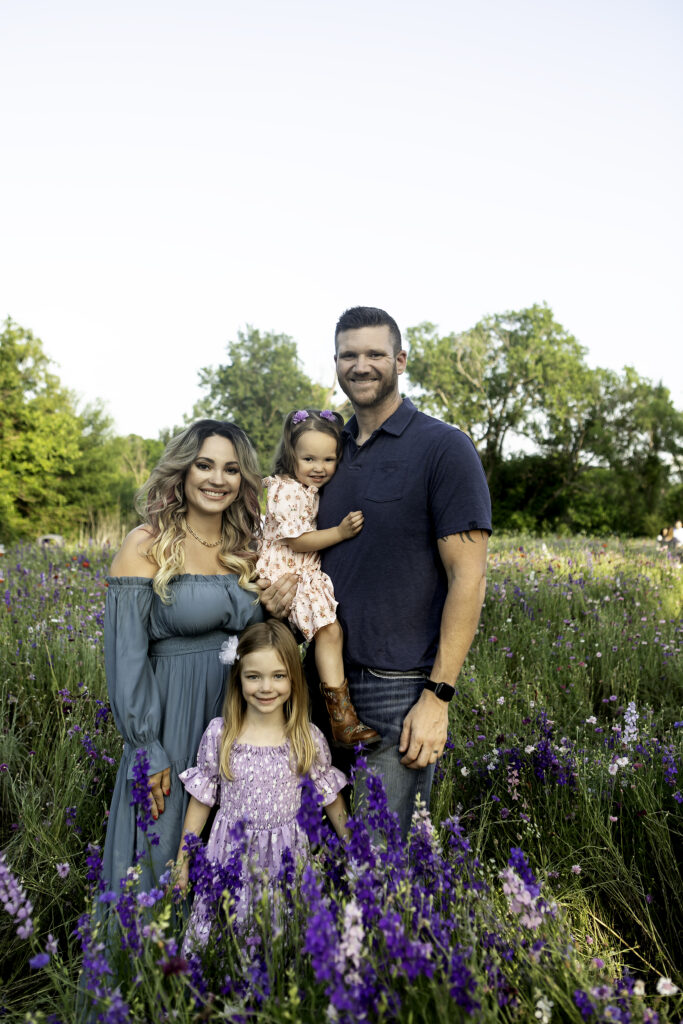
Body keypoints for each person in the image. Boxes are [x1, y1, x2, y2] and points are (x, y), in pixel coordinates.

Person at [315, 306, 492, 839]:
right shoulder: (327, 453)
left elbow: (470, 578)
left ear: (400, 360)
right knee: (321, 859)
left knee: (382, 867)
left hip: (399, 691)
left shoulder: (443, 447)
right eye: (349, 354)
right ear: (337, 363)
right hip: (321, 686)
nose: (361, 365)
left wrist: (438, 697)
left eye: (374, 353)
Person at [102, 419, 295, 895]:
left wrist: (277, 615)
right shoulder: (146, 544)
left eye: (231, 469)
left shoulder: (246, 550)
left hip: (235, 719)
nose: (217, 479)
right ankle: (147, 966)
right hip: (168, 720)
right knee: (161, 859)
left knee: (228, 859)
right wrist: (147, 744)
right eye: (204, 465)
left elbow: (263, 649)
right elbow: (126, 656)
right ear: (183, 472)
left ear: (243, 480)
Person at [175, 619, 349, 947]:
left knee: (282, 947)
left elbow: (331, 798)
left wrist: (353, 846)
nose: (266, 687)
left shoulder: (306, 738)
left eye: (278, 676)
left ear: (294, 680)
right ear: (238, 679)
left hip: (287, 860)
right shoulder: (222, 735)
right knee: (226, 946)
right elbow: (201, 801)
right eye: (253, 676)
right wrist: (183, 860)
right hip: (230, 860)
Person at [256, 409, 379, 747]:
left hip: (303, 571)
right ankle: (342, 718)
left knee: (329, 632)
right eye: (308, 458)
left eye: (329, 458)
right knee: (329, 630)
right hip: (289, 572)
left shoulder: (309, 488)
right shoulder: (286, 490)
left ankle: (332, 717)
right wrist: (339, 533)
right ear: (290, 455)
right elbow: (296, 540)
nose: (319, 467)